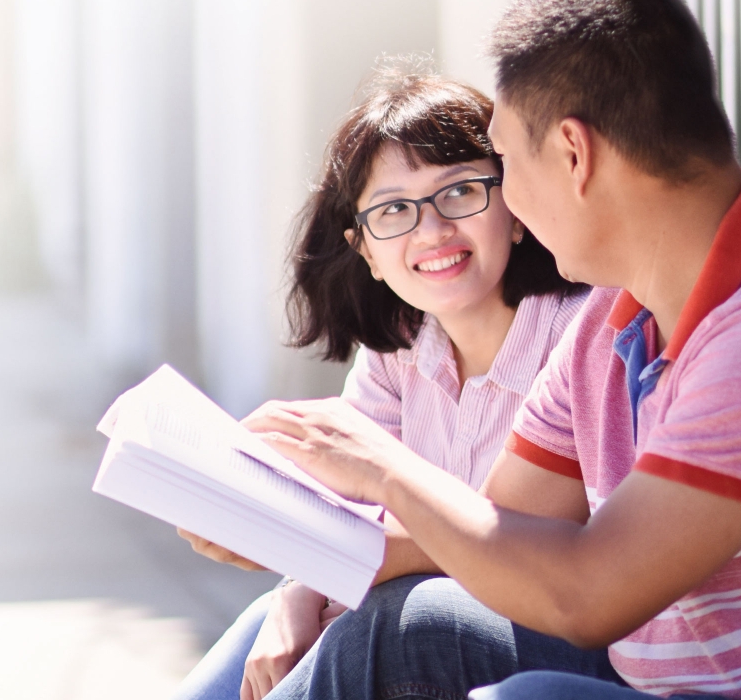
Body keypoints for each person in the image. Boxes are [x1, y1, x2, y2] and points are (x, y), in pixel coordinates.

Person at [242, 1, 741, 698]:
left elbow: (586, 594)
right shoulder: (612, 321)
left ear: (572, 153)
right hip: (638, 673)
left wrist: (379, 469)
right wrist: (286, 543)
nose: (506, 200)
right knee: (396, 625)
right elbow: (498, 535)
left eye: (498, 165)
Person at [172, 68, 602, 700]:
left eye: (460, 192)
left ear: (514, 210)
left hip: (550, 631)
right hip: (437, 613)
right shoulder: (399, 347)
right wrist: (297, 586)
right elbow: (346, 513)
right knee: (270, 626)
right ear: (365, 249)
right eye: (396, 209)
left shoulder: (577, 333)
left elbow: (502, 539)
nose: (433, 231)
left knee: (383, 622)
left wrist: (302, 552)